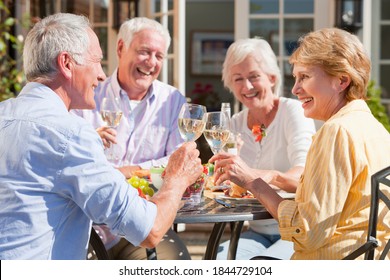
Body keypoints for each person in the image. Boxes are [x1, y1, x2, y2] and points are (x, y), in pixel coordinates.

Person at [0, 13, 203, 260]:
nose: (101, 75)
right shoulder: (71, 133)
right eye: (96, 61)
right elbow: (149, 230)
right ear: (66, 63)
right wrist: (178, 178)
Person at [211, 28, 390, 260]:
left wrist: (254, 183)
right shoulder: (373, 127)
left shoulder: (337, 131)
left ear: (342, 80)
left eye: (305, 77)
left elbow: (307, 231)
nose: (295, 89)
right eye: (295, 78)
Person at [72, 17, 190, 260]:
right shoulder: (87, 95)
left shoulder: (173, 101)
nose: (151, 63)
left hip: (144, 223)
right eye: (144, 52)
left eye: (159, 56)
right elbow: (73, 160)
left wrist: (130, 171)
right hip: (89, 228)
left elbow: (178, 162)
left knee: (173, 263)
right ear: (120, 48)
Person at [214, 38, 316, 260]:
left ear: (271, 78)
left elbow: (304, 178)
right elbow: (226, 184)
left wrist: (260, 176)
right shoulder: (234, 124)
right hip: (255, 230)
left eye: (254, 77)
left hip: (295, 230)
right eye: (238, 79)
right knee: (217, 262)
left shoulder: (294, 112)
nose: (246, 87)